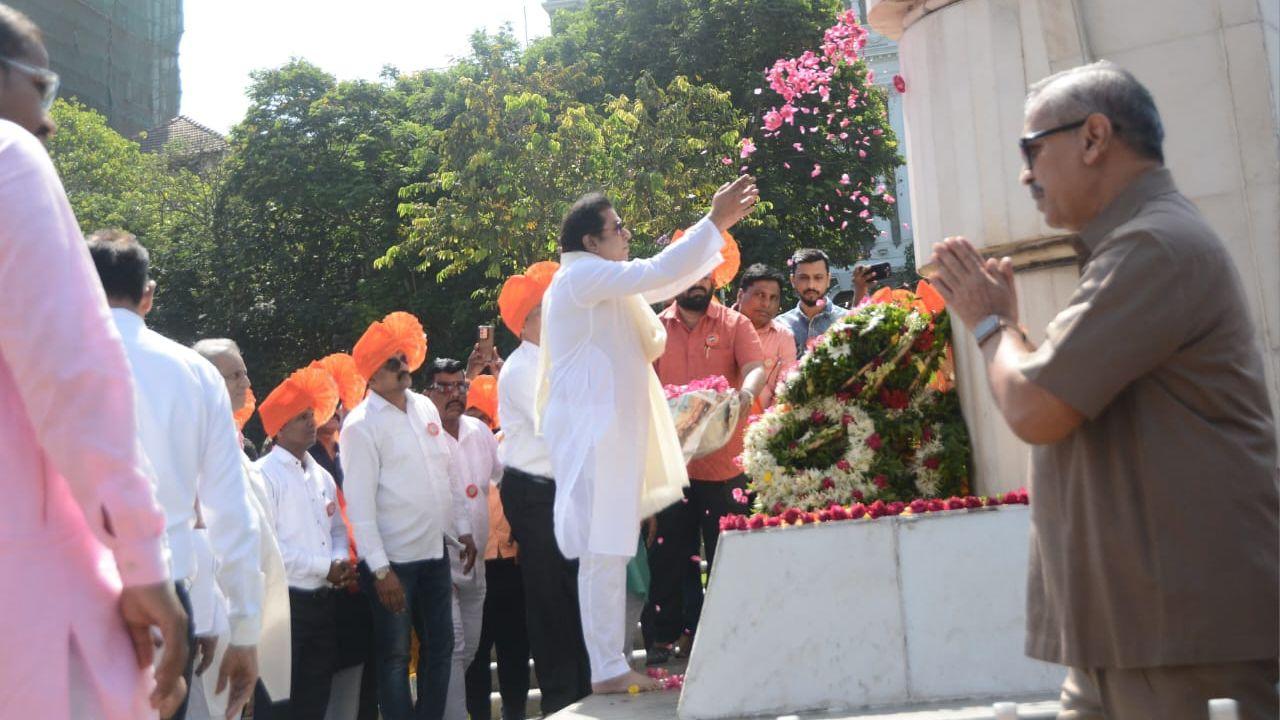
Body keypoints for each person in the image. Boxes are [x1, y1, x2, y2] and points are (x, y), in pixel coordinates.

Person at [928, 60, 1278, 720]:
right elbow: (1049, 389)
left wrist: (989, 323)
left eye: (1032, 150)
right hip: (1136, 639)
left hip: (1178, 641)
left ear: (1093, 137)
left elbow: (1034, 408)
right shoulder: (1138, 246)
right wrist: (1006, 328)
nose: (1025, 175)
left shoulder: (1155, 247)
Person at [0, 6, 188, 716]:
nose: (48, 120)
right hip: (31, 609)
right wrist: (145, 566)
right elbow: (73, 376)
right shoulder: (8, 157)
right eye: (43, 87)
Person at [536, 175, 759, 693]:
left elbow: (652, 282)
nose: (626, 233)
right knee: (602, 550)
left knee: (610, 549)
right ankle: (606, 667)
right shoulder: (582, 277)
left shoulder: (596, 279)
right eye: (618, 228)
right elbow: (659, 277)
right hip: (595, 436)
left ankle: (610, 664)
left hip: (607, 435)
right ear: (591, 242)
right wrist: (716, 222)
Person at [89, 230, 264, 720]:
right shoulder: (195, 373)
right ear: (148, 294)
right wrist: (245, 628)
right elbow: (229, 510)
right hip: (165, 594)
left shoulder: (47, 364)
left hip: (72, 595)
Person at [341, 311, 477, 720]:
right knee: (395, 658)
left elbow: (447, 473)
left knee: (442, 647)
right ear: (370, 376)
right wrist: (381, 572)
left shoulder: (424, 407)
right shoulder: (359, 426)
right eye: (390, 363)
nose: (402, 367)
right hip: (393, 562)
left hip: (435, 552)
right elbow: (360, 506)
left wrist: (464, 530)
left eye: (402, 357)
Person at [646, 234, 765, 662]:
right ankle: (665, 638)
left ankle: (726, 636)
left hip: (724, 463)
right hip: (671, 465)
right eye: (688, 274)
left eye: (704, 274)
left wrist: (746, 395)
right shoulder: (656, 327)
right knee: (669, 556)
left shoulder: (736, 324)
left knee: (726, 554)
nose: (697, 283)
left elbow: (754, 367)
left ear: (715, 276)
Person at [495, 261, 593, 714]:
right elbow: (557, 423)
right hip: (534, 493)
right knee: (548, 596)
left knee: (574, 589)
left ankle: (584, 686)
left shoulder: (557, 359)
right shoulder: (520, 370)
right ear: (526, 322)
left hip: (562, 488)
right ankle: (560, 696)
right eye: (545, 310)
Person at [193, 337, 294, 720]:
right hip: (214, 614)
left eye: (244, 371)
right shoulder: (196, 445)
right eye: (234, 375)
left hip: (244, 612)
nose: (245, 382)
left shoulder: (232, 443)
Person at [255, 367, 354, 719]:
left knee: (315, 699)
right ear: (279, 429)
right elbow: (269, 548)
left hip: (323, 602)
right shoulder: (263, 475)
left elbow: (337, 530)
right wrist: (324, 567)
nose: (312, 422)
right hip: (284, 606)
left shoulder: (321, 474)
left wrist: (340, 560)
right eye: (300, 418)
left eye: (311, 414)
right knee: (277, 704)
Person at [422, 358, 503, 720]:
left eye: (459, 386)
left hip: (478, 561)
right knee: (452, 644)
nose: (454, 394)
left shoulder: (480, 432)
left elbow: (503, 477)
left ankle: (433, 709)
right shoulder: (423, 437)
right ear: (427, 392)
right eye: (444, 387)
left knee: (468, 648)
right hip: (438, 562)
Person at [307, 352, 378, 720]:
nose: (332, 408)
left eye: (337, 399)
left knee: (364, 673)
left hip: (361, 575)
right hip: (326, 581)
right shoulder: (304, 460)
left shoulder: (350, 446)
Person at [463, 374, 532, 720]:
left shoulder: (510, 449)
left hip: (511, 565)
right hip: (473, 567)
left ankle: (515, 712)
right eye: (472, 414)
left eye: (485, 417)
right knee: (475, 654)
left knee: (514, 650)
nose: (479, 424)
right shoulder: (452, 451)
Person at [735, 263, 797, 410]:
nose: (766, 304)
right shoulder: (719, 327)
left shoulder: (784, 337)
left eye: (773, 298)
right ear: (740, 295)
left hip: (762, 425)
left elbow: (784, 391)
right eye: (760, 295)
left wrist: (766, 427)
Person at [777, 248, 848, 357]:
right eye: (804, 278)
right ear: (793, 280)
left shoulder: (847, 321)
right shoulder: (779, 326)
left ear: (828, 279)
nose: (811, 285)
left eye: (818, 278)